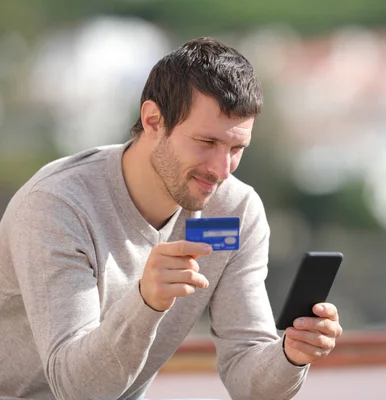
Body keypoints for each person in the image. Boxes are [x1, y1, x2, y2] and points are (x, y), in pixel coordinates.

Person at [0, 37, 343, 400]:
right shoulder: (58, 207)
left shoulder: (235, 210)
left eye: (236, 148)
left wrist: (291, 354)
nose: (221, 170)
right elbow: (77, 390)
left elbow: (248, 378)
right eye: (207, 143)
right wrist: (146, 301)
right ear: (152, 121)